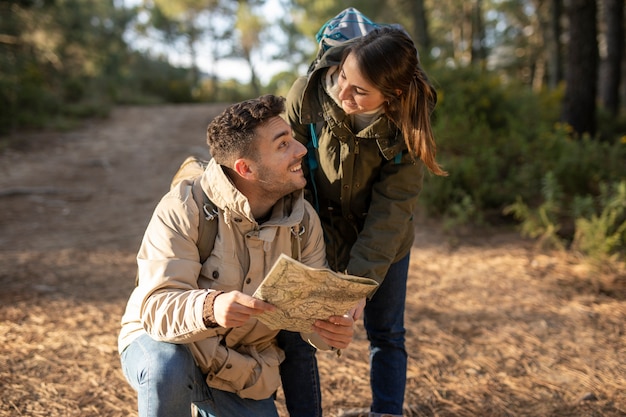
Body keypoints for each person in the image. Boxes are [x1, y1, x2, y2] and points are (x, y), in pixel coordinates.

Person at [118, 94, 356, 417]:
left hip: (239, 368)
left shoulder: (304, 222)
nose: (301, 150)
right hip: (167, 342)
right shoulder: (183, 208)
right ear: (246, 168)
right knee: (166, 368)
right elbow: (157, 307)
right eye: (283, 145)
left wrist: (331, 332)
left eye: (293, 139)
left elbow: (308, 319)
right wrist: (210, 307)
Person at [281, 27, 447, 417]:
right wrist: (305, 244)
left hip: (383, 244)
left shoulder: (408, 130)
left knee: (386, 334)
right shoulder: (306, 95)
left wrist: (358, 284)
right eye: (343, 78)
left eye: (360, 91)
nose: (343, 94)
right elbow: (286, 170)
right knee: (294, 336)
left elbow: (390, 214)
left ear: (393, 96)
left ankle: (385, 412)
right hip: (312, 234)